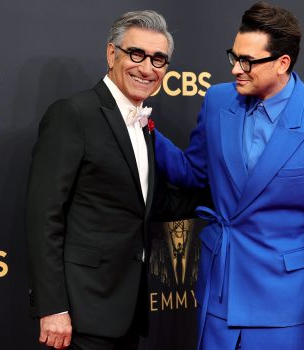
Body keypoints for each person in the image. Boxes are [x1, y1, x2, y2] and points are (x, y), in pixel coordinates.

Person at [153, 2, 304, 349]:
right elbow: (194, 173)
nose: (236, 69)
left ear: (282, 63)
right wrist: (144, 130)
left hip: (286, 302)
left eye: (247, 61)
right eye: (234, 56)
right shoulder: (218, 101)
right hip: (220, 289)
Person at [25, 10, 194, 350]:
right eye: (137, 54)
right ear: (111, 54)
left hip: (126, 311)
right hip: (79, 312)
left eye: (158, 60)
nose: (147, 68)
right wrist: (53, 307)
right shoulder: (73, 114)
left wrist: (229, 198)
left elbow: (147, 203)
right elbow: (44, 216)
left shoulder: (142, 124)